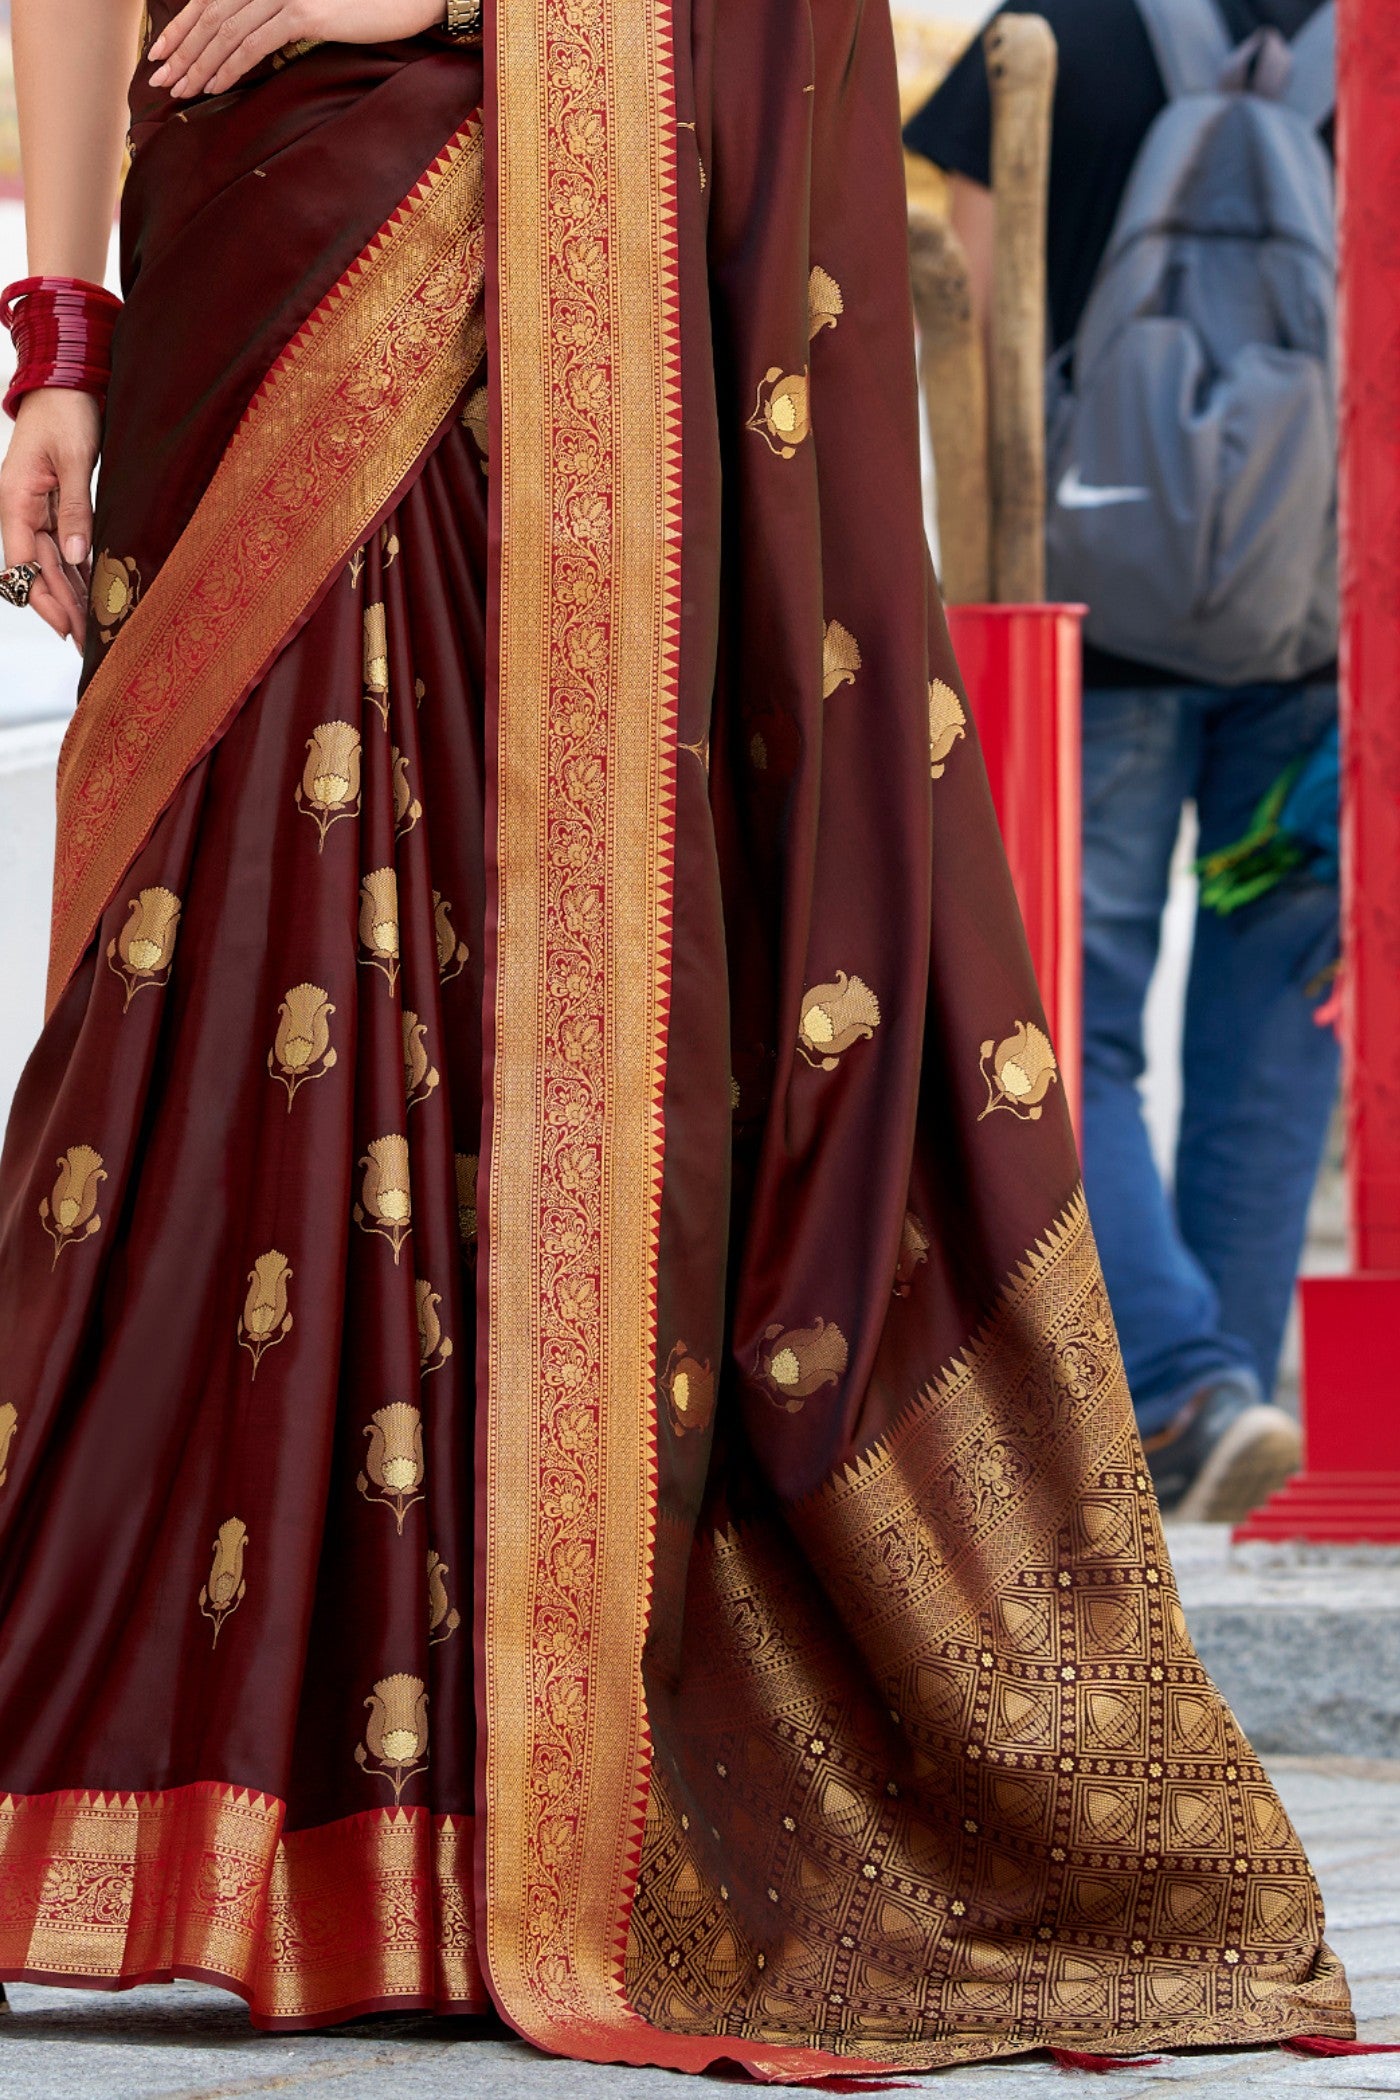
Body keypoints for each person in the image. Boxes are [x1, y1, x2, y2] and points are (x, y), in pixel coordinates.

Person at [0, 0, 1350, 2071]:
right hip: (219, 272)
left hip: (493, 250)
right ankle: (141, 1778)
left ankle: (465, 1813)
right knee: (182, 1017)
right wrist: (64, 329)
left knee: (457, 1006)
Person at [907, 0, 1341, 1524]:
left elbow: (968, 307)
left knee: (1064, 1000)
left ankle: (1178, 1384)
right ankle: (1219, 1398)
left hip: (1097, 630)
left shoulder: (1059, 32)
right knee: (1276, 1006)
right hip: (1313, 643)